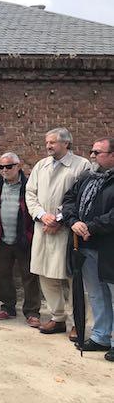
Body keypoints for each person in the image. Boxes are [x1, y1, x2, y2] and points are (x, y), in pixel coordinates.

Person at [25, 127, 90, 338]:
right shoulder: (40, 166)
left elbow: (81, 198)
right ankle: (58, 317)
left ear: (66, 143)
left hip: (67, 231)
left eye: (52, 142)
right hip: (42, 228)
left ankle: (76, 321)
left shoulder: (82, 166)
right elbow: (30, 194)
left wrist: (59, 219)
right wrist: (43, 215)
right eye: (47, 143)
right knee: (45, 274)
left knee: (72, 277)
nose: (48, 146)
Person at [62, 137, 114, 359]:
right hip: (84, 244)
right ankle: (101, 336)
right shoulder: (87, 176)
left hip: (108, 247)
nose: (92, 156)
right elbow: (69, 200)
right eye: (92, 151)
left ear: (112, 156)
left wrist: (91, 226)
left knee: (113, 293)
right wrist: (73, 221)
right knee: (95, 293)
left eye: (98, 152)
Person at [0, 152, 41, 326]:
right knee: (3, 275)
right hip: (2, 239)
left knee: (29, 276)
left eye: (9, 166)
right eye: (1, 167)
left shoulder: (29, 185)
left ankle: (32, 312)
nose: (4, 170)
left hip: (24, 239)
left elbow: (34, 209)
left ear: (18, 166)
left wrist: (30, 235)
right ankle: (7, 307)